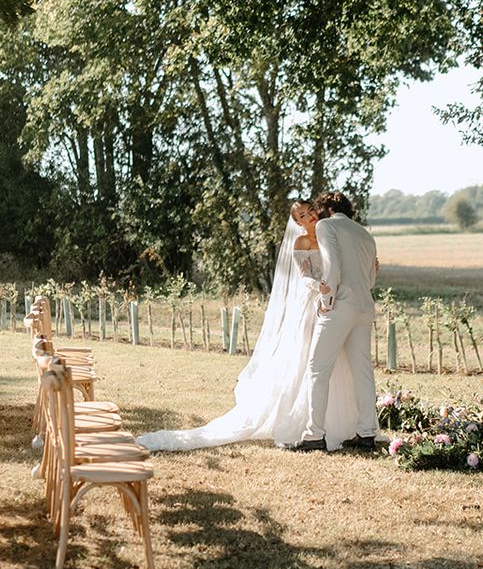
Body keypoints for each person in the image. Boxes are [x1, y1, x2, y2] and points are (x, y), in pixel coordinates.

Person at [135, 198, 360, 452]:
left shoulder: (329, 236)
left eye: (309, 211)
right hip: (311, 303)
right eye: (302, 216)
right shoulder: (302, 242)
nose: (309, 217)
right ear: (297, 222)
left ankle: (336, 421)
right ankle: (304, 420)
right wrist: (320, 287)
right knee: (308, 358)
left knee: (333, 359)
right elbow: (304, 276)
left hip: (333, 304)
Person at [289, 191, 379, 452]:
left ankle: (314, 435)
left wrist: (327, 300)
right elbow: (371, 278)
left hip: (340, 305)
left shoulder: (326, 226)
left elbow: (332, 265)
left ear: (327, 209)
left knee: (318, 368)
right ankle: (366, 434)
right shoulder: (365, 234)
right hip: (365, 307)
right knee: (362, 371)